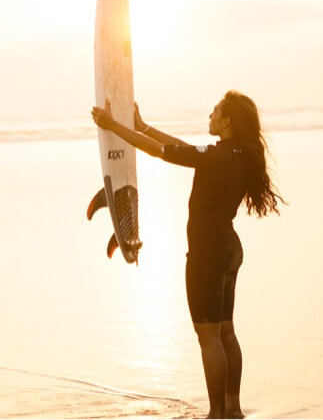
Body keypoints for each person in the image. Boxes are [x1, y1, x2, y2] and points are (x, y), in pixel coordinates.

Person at [91, 90, 284, 419]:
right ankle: (232, 409)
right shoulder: (236, 153)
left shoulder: (218, 155)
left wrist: (112, 125)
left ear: (226, 121)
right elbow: (181, 149)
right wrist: (143, 126)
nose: (209, 115)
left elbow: (161, 153)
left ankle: (216, 413)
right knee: (225, 332)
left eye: (215, 112)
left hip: (208, 252)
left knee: (207, 336)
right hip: (229, 249)